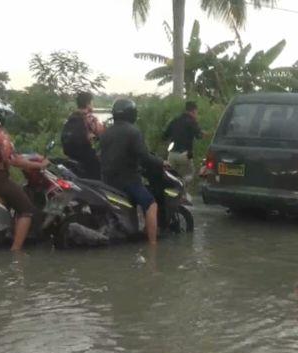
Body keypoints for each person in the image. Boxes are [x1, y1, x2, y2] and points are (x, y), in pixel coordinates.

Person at [0, 98, 48, 251]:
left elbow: (11, 155)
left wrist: (30, 157)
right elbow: (14, 161)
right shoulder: (0, 136)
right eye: (3, 114)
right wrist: (39, 165)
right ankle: (16, 252)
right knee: (27, 210)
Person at [100, 99, 166, 244]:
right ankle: (153, 246)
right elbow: (144, 156)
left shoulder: (106, 133)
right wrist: (162, 162)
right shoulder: (133, 131)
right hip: (128, 180)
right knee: (151, 204)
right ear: (132, 114)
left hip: (107, 180)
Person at [163, 101, 207, 189]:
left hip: (172, 154)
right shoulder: (192, 122)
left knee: (170, 176)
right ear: (193, 111)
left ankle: (172, 193)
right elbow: (199, 136)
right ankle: (181, 188)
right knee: (190, 174)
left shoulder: (175, 120)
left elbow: (164, 136)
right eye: (196, 113)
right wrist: (204, 134)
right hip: (186, 155)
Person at [61, 91, 105, 179]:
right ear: (88, 104)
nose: (93, 105)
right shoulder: (90, 118)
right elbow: (102, 134)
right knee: (99, 173)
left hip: (71, 155)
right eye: (92, 103)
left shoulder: (72, 117)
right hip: (86, 157)